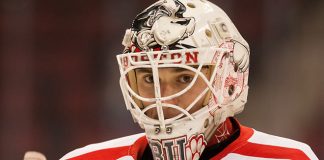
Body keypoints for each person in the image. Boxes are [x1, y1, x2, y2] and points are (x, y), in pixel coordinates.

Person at [60, 0, 318, 159]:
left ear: (225, 80)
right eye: (149, 78)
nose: (164, 97)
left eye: (184, 77)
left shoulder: (288, 158)